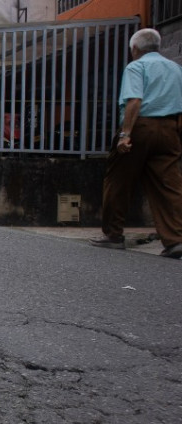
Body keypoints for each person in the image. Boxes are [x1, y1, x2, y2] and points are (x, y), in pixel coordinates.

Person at [91, 28, 182, 259]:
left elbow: (134, 101)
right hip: (170, 128)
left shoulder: (136, 67)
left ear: (134, 49)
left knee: (118, 180)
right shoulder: (176, 68)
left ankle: (113, 235)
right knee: (169, 186)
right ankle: (175, 240)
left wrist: (125, 134)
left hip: (140, 127)